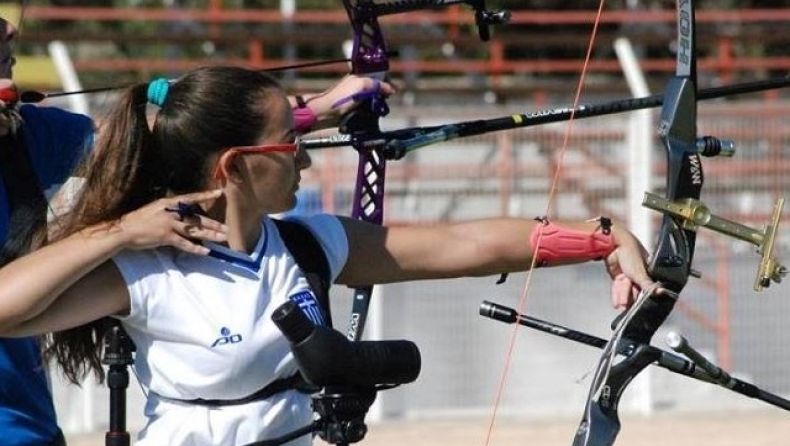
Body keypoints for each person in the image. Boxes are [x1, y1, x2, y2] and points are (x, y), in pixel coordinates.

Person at [0, 65, 658, 446]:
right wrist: (115, 233)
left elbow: (463, 244)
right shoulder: (152, 268)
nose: (308, 155)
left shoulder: (308, 243)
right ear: (237, 165)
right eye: (292, 140)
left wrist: (601, 236)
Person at [0, 14, 95, 446]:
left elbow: (170, 136)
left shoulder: (27, 135)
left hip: (25, 430)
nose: (9, 28)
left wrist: (318, 107)